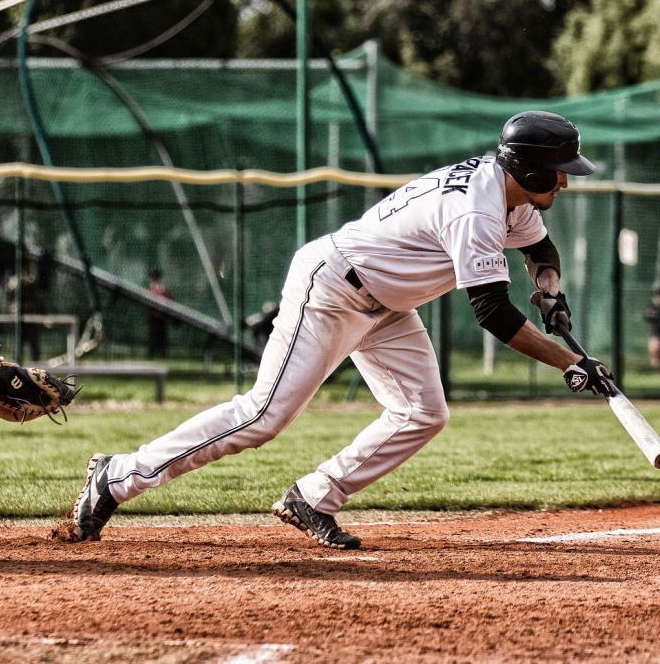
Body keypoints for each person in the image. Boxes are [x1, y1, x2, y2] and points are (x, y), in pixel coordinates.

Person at [62, 110, 616, 550]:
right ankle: (119, 475)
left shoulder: (509, 194)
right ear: (531, 170)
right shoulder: (476, 211)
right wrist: (571, 363)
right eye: (560, 170)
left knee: (423, 412)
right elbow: (493, 313)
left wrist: (549, 290)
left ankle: (314, 496)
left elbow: (540, 248)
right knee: (262, 415)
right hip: (333, 287)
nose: (567, 180)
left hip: (386, 305)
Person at [146, 268, 172, 359]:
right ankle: (152, 353)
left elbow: (168, 298)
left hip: (161, 315)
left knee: (161, 335)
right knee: (154, 335)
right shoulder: (152, 288)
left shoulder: (162, 288)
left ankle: (162, 353)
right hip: (154, 315)